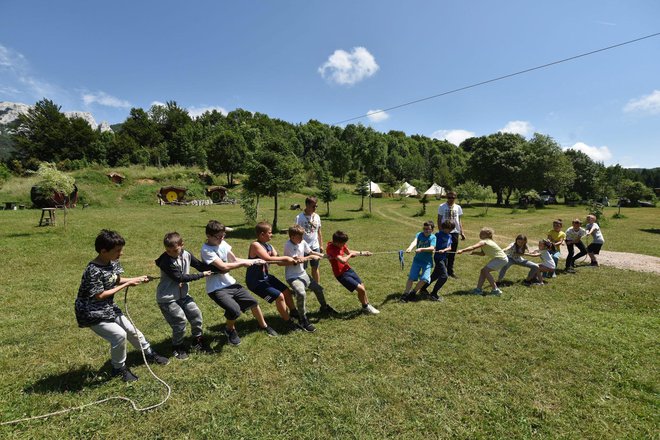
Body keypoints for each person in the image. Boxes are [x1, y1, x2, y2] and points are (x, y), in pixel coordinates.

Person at [75, 230, 169, 382]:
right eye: (117, 251)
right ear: (103, 251)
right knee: (119, 335)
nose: (121, 253)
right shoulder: (93, 270)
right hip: (91, 311)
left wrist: (136, 278)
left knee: (132, 330)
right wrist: (127, 285)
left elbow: (116, 279)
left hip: (108, 307)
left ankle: (149, 353)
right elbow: (99, 295)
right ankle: (118, 368)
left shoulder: (112, 262)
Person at [200, 220, 278, 346]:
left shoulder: (223, 243)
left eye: (223, 236)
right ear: (208, 236)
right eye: (218, 237)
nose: (221, 239)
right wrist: (242, 264)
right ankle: (230, 330)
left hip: (230, 283)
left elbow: (234, 259)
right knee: (234, 310)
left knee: (253, 303)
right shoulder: (206, 250)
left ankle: (264, 326)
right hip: (216, 288)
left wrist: (255, 261)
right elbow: (223, 267)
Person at [155, 232, 213, 360]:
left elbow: (199, 265)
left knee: (196, 314)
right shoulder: (166, 260)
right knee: (180, 321)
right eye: (168, 251)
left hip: (183, 295)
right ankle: (177, 346)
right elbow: (179, 278)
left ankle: (197, 340)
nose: (171, 253)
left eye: (174, 250)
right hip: (167, 298)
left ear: (182, 245)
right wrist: (202, 275)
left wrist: (217, 267)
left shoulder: (186, 254)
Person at [245, 221, 300, 333]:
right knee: (279, 296)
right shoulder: (255, 245)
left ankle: (294, 312)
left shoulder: (269, 246)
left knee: (286, 291)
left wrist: (294, 261)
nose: (271, 235)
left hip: (265, 277)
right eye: (269, 233)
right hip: (255, 282)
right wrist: (287, 258)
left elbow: (278, 261)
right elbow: (268, 259)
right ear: (262, 234)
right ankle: (288, 322)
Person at [284, 225, 337, 332]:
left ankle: (324, 307)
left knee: (318, 289)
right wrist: (310, 257)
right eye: (300, 237)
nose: (302, 239)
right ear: (293, 237)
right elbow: (297, 260)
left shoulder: (302, 242)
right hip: (292, 277)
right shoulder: (288, 245)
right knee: (301, 293)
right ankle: (303, 319)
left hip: (302, 274)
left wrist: (324, 256)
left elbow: (311, 252)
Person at [325, 230, 380, 314]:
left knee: (362, 288)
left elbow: (349, 252)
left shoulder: (340, 243)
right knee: (361, 289)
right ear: (336, 242)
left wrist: (363, 253)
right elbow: (343, 260)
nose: (344, 245)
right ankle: (366, 307)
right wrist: (350, 255)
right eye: (342, 244)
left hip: (348, 269)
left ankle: (367, 305)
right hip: (341, 274)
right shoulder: (331, 249)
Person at [456, 227, 507, 296]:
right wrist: (474, 253)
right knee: (483, 271)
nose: (480, 234)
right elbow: (483, 254)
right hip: (500, 259)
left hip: (501, 259)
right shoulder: (487, 241)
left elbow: (473, 247)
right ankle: (478, 289)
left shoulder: (484, 241)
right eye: (480, 233)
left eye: (482, 233)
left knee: (485, 271)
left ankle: (495, 290)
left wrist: (462, 250)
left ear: (487, 235)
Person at [400, 221, 436, 302]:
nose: (426, 230)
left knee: (425, 279)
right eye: (424, 228)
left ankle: (413, 292)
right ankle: (405, 294)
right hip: (417, 261)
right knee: (411, 277)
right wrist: (410, 248)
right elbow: (415, 241)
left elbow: (432, 248)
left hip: (427, 262)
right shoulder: (419, 234)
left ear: (432, 230)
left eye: (428, 229)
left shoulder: (433, 237)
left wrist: (421, 249)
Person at [421, 220, 454, 301]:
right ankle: (434, 294)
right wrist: (435, 249)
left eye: (451, 229)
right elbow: (433, 245)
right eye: (448, 229)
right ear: (444, 228)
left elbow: (450, 247)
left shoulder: (449, 236)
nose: (450, 231)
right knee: (444, 276)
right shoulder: (438, 235)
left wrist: (445, 250)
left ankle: (423, 288)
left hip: (445, 257)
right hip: (438, 258)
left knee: (435, 275)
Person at [295, 196, 323, 284]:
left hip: (315, 246)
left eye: (316, 206)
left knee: (315, 267)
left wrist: (321, 245)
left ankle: (317, 285)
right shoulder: (299, 217)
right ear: (307, 205)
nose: (315, 208)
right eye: (313, 206)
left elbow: (319, 232)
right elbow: (295, 233)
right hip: (303, 247)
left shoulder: (317, 217)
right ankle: (302, 285)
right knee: (302, 269)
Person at [437, 191, 465, 278]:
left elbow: (459, 220)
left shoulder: (458, 207)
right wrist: (441, 231)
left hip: (455, 232)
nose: (451, 199)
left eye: (453, 197)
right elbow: (439, 219)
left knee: (452, 252)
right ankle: (443, 271)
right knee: (445, 252)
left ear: (455, 198)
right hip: (444, 232)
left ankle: (450, 271)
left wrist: (461, 232)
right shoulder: (442, 206)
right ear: (446, 198)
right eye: (449, 197)